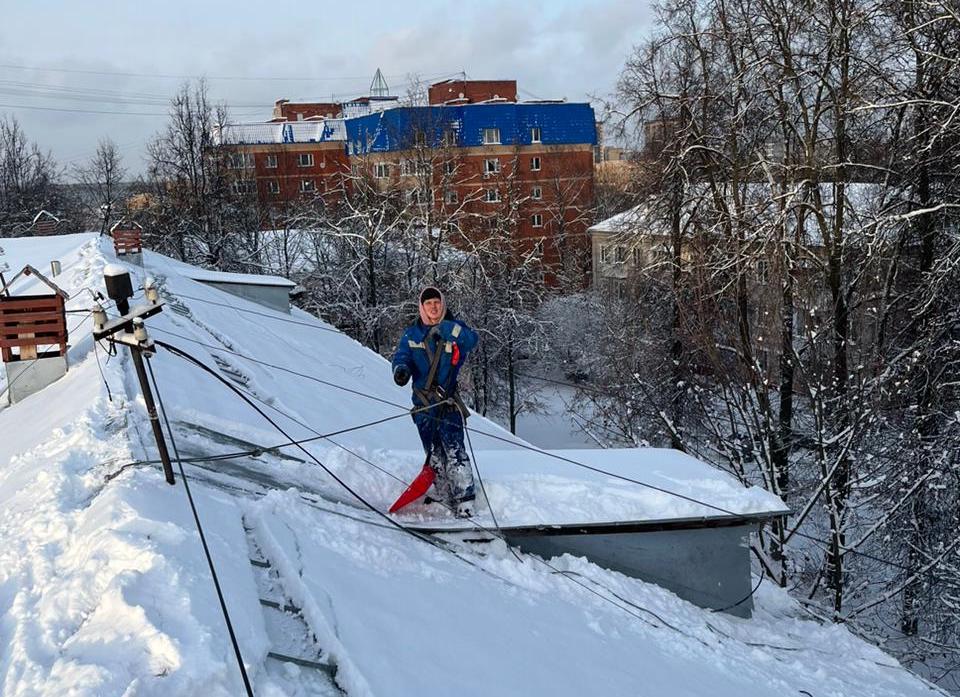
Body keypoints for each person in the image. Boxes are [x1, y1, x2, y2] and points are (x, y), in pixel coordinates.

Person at [392, 286, 479, 517]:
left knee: (455, 451)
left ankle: (465, 500)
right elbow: (402, 356)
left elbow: (472, 340)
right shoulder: (412, 334)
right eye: (428, 303)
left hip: (447, 402)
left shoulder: (454, 327)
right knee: (434, 454)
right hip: (423, 406)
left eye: (437, 302)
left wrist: (448, 329)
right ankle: (443, 495)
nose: (433, 307)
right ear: (422, 307)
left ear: (443, 304)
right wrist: (400, 370)